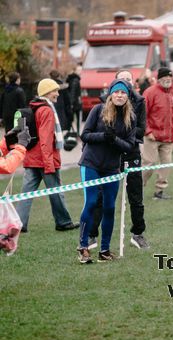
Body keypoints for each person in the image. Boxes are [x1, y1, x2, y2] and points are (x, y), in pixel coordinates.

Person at [88, 69, 149, 250]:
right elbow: (95, 131)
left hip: (130, 152)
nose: (125, 84)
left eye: (128, 81)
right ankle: (92, 235)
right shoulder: (103, 104)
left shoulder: (139, 102)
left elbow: (140, 130)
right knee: (100, 195)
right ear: (115, 84)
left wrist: (122, 135)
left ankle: (138, 234)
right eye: (121, 81)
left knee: (136, 196)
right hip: (109, 155)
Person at [77, 79, 136, 263]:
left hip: (112, 168)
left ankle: (104, 250)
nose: (120, 95)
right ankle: (83, 247)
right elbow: (84, 135)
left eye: (123, 93)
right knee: (92, 203)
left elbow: (129, 146)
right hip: (91, 164)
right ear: (111, 94)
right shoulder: (98, 110)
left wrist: (114, 140)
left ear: (127, 96)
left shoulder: (130, 118)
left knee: (110, 207)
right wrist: (103, 136)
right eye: (117, 92)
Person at [15, 79, 79, 233]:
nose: (57, 93)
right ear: (45, 93)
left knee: (26, 194)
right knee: (56, 192)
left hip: (31, 159)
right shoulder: (47, 110)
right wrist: (49, 164)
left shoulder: (35, 106)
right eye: (54, 91)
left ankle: (18, 224)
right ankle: (63, 222)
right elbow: (45, 140)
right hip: (45, 160)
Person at [142, 67, 173, 200]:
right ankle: (136, 188)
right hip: (152, 136)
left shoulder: (171, 93)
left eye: (169, 77)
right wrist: (147, 131)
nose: (168, 79)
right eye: (165, 77)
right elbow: (142, 115)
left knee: (166, 164)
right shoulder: (149, 92)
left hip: (168, 137)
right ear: (159, 79)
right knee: (149, 165)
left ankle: (159, 192)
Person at [66, 64, 82, 134]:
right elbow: (73, 92)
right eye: (79, 70)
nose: (80, 71)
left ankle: (71, 132)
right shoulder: (75, 80)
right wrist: (72, 103)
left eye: (81, 70)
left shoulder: (71, 79)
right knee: (77, 118)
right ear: (75, 71)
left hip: (72, 102)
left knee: (71, 118)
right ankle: (77, 133)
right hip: (75, 103)